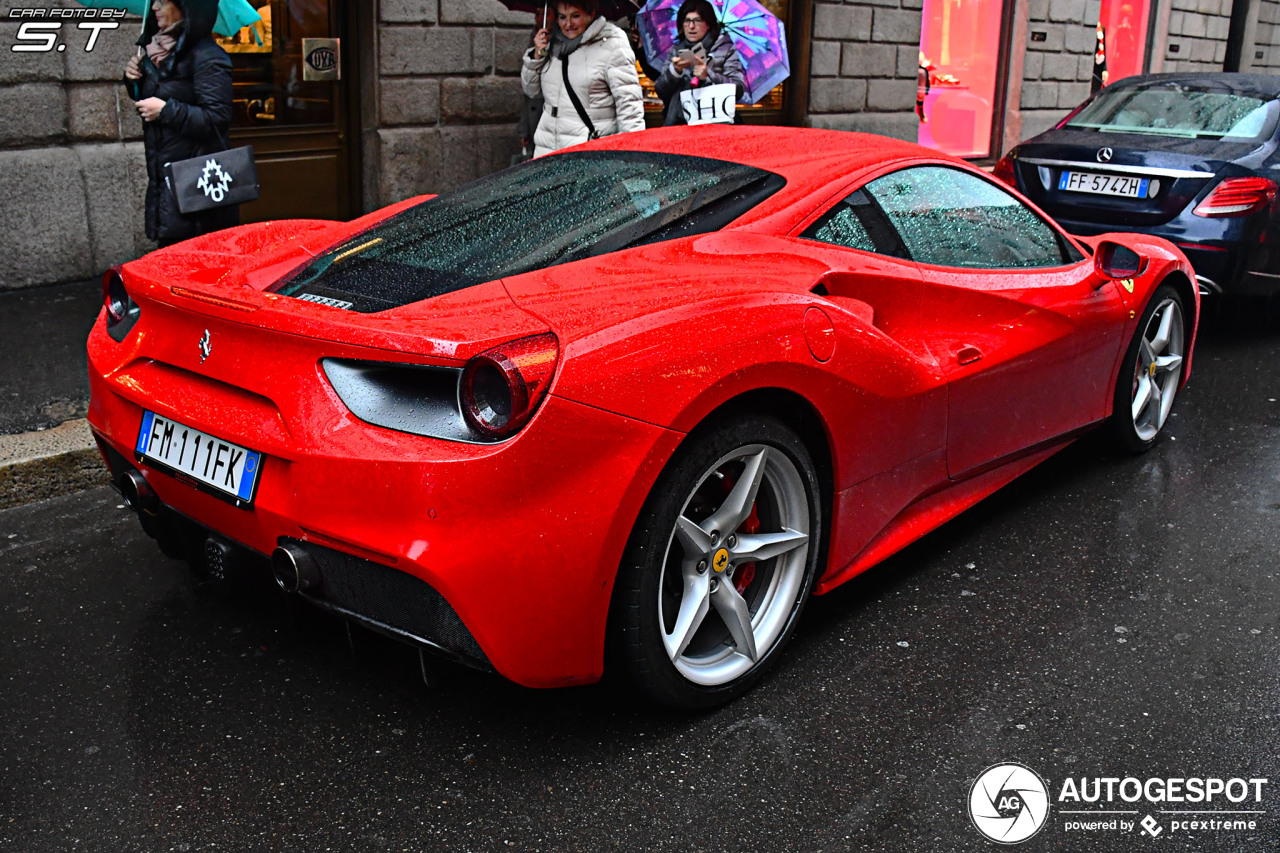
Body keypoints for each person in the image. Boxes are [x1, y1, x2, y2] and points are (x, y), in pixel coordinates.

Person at [125, 0, 237, 247]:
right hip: (165, 181)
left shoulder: (208, 56)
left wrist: (165, 111)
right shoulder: (156, 53)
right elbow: (152, 97)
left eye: (163, 1)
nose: (155, 7)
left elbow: (216, 118)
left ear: (187, 7)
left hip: (198, 189)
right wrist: (133, 78)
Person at [521, 0, 645, 157]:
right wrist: (537, 55)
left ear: (590, 13)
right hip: (547, 150)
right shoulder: (551, 43)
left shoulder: (612, 43)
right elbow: (531, 90)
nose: (568, 24)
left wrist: (631, 154)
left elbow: (629, 107)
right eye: (562, 17)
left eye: (576, 16)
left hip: (588, 152)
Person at [653, 0, 744, 126]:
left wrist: (708, 75)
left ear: (708, 24)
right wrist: (675, 72)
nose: (691, 26)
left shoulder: (725, 48)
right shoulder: (676, 49)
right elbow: (660, 90)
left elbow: (738, 89)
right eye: (687, 20)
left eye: (697, 20)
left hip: (715, 125)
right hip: (679, 124)